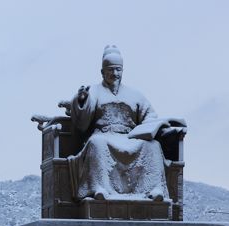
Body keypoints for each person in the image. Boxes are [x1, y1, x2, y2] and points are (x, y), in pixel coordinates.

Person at [68, 45, 183, 201]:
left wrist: (155, 126)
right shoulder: (94, 91)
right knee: (96, 143)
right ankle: (100, 188)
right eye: (110, 70)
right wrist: (81, 100)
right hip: (105, 135)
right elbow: (82, 118)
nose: (114, 74)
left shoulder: (135, 94)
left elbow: (149, 115)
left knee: (153, 146)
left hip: (129, 137)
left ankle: (154, 189)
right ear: (102, 72)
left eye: (118, 70)